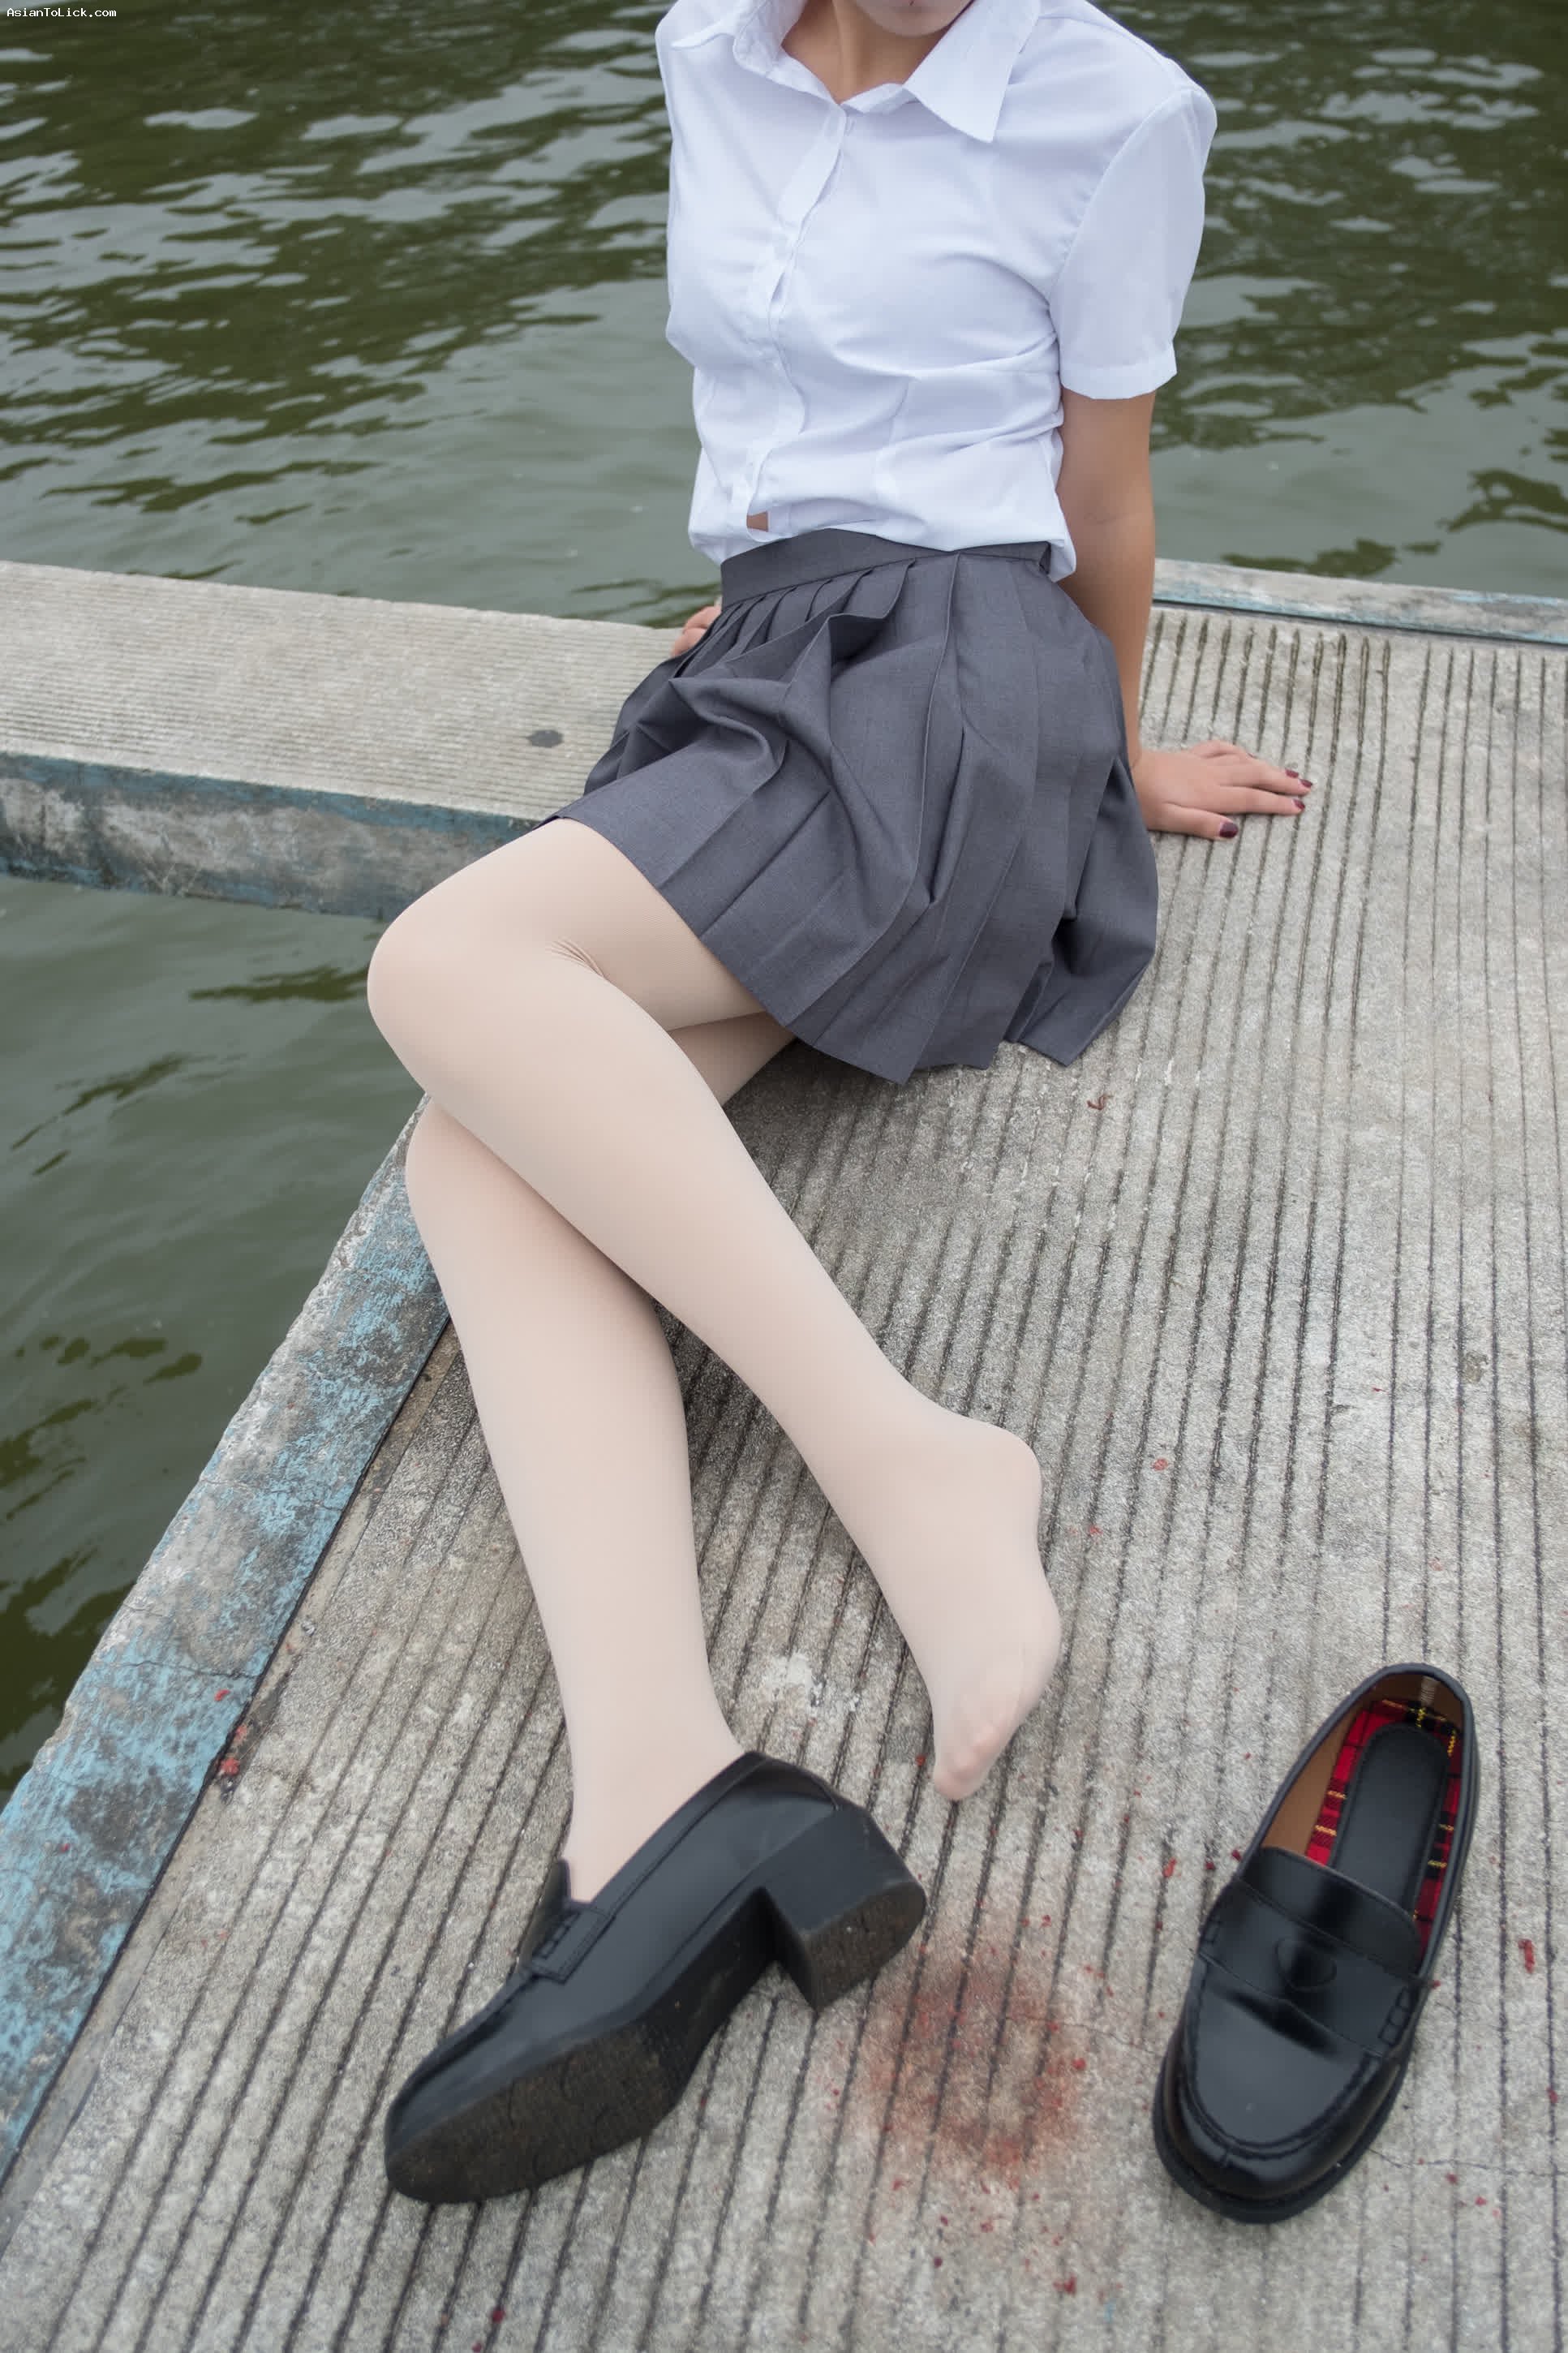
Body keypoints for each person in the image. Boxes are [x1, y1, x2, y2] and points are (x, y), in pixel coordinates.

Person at [370, 0, 1309, 2205]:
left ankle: (914, 1460)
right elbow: (770, 404)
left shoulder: (1112, 107)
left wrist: (1109, 757)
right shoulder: (710, 47)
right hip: (772, 666)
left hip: (962, 692)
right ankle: (662, 1791)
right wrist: (775, 583)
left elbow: (1100, 492)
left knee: (443, 969)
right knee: (471, 1146)